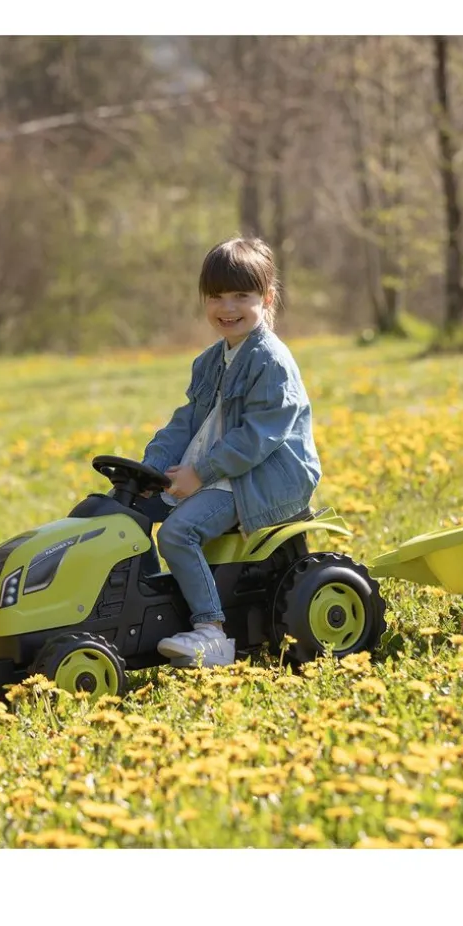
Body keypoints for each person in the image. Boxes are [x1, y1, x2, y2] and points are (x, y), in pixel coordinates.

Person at [140, 236, 321, 668]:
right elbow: (185, 421)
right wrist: (147, 469)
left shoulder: (271, 361)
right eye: (217, 296)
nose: (228, 307)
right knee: (134, 514)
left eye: (242, 295)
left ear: (267, 298)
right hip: (220, 470)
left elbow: (258, 436)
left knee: (177, 533)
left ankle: (212, 632)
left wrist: (200, 473)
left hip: (263, 476)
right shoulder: (209, 361)